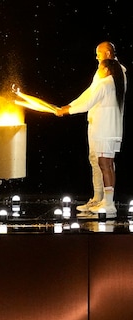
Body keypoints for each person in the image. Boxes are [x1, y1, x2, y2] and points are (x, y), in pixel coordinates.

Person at [57, 41, 126, 214]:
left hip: (106, 128)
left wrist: (67, 111)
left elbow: (88, 101)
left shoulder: (112, 79)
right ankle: (98, 199)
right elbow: (89, 93)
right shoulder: (106, 77)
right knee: (98, 162)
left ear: (108, 55)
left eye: (99, 53)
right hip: (98, 126)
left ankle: (108, 203)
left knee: (105, 163)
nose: (96, 57)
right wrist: (67, 106)